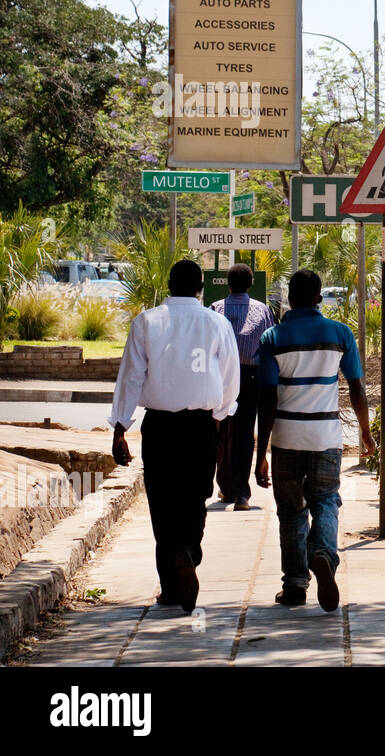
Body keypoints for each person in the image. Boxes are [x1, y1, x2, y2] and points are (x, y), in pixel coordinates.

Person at [109, 260, 240, 614]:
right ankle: (189, 552)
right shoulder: (217, 323)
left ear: (169, 283)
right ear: (201, 287)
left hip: (160, 427)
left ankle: (170, 584)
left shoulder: (146, 322)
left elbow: (131, 377)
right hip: (200, 426)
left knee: (162, 501)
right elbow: (229, 377)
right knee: (196, 496)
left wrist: (120, 428)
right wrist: (220, 418)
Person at [255, 270, 374, 611]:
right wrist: (365, 432)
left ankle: (294, 585)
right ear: (319, 299)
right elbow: (356, 387)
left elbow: (267, 398)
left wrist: (260, 453)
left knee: (291, 512)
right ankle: (322, 553)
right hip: (326, 437)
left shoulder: (272, 338)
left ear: (290, 298)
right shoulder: (340, 334)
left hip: (286, 439)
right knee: (324, 500)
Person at [210, 263, 276, 510]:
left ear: (228, 283)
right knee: (245, 433)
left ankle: (224, 485)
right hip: (250, 376)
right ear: (250, 284)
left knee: (221, 430)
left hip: (221, 376)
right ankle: (241, 493)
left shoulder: (216, 309)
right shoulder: (263, 310)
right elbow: (269, 345)